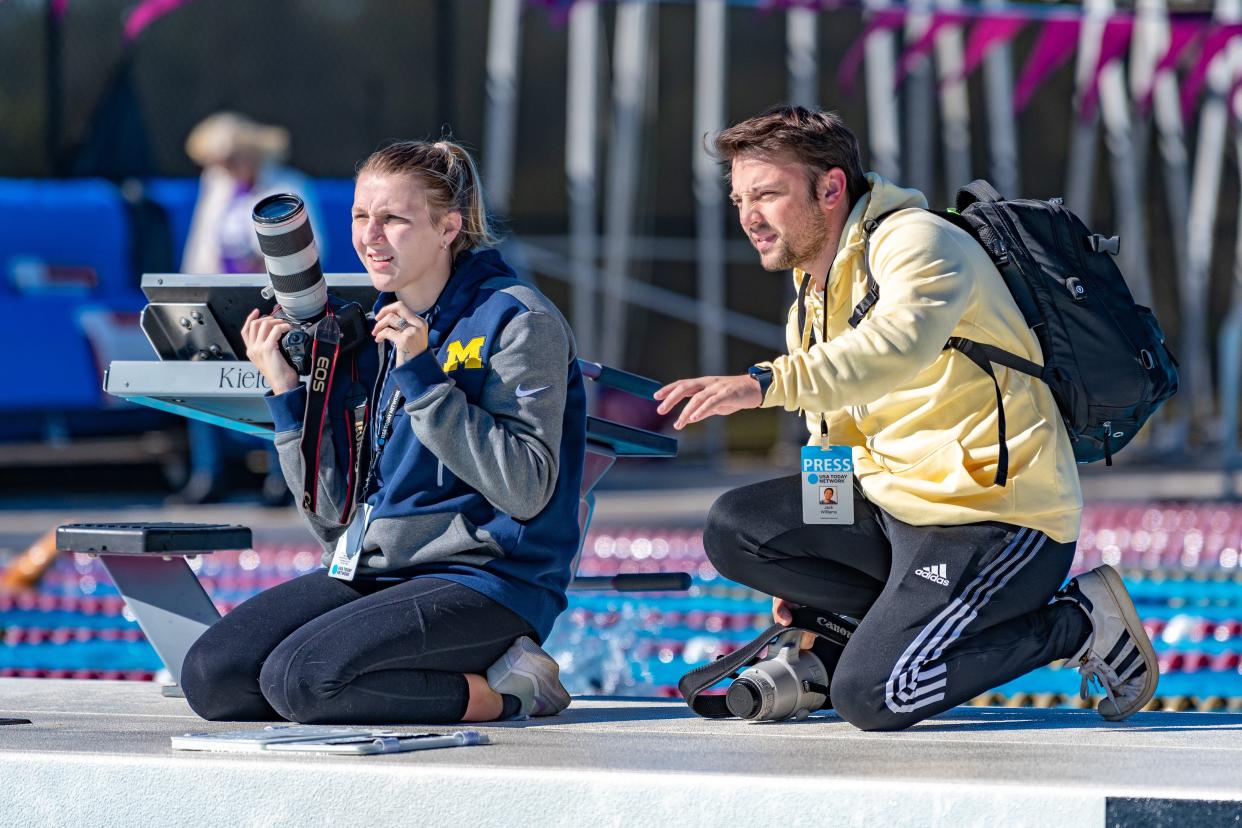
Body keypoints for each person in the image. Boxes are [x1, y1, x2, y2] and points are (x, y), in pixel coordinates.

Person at [655, 105, 1157, 731]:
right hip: (898, 514)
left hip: (993, 520)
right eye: (738, 199)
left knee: (874, 697)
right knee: (736, 527)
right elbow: (832, 431)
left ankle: (1078, 622)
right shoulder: (815, 292)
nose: (749, 217)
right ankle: (846, 631)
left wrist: (765, 383)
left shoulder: (918, 242)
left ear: (831, 187)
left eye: (767, 195)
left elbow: (892, 350)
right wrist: (815, 586)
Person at [181, 138, 587, 724]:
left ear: (449, 228)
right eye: (360, 216)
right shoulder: (366, 329)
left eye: (393, 218)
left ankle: (513, 692)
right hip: (376, 568)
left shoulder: (518, 319)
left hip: (488, 578)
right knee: (213, 677)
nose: (370, 235)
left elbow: (525, 487)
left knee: (306, 681)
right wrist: (287, 396)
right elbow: (331, 518)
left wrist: (424, 378)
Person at [173, 112, 315, 506]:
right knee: (196, 376)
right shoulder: (216, 187)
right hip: (219, 302)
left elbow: (310, 250)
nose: (225, 168)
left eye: (231, 159)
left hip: (273, 306)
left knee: (273, 380)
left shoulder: (288, 187)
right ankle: (208, 473)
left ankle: (279, 476)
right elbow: (201, 246)